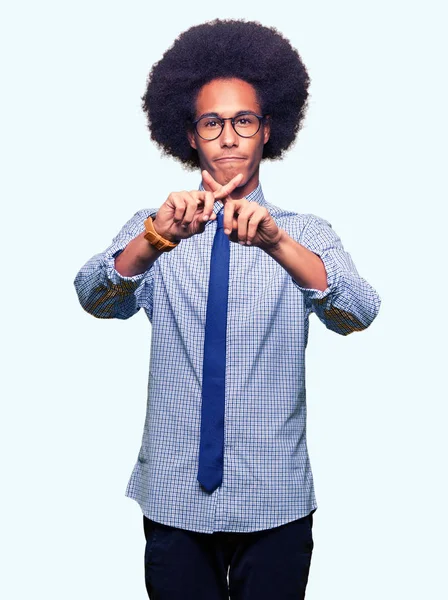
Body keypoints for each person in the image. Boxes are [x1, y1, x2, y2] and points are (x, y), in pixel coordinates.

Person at [74, 18, 381, 600]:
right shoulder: (157, 227)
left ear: (268, 130)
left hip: (275, 498)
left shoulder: (305, 233)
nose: (229, 137)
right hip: (172, 496)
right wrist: (154, 239)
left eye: (244, 120)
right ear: (189, 135)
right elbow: (93, 296)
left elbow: (359, 311)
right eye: (212, 122)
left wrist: (277, 245)